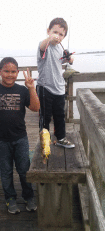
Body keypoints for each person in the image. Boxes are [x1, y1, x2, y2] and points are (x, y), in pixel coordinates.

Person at [0, 57, 40, 214]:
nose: (10, 75)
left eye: (13, 71)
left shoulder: (22, 90)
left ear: (18, 73)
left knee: (24, 169)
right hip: (0, 139)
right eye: (6, 71)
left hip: (20, 138)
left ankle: (28, 196)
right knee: (5, 171)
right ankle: (10, 199)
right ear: (0, 72)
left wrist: (32, 88)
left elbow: (35, 107)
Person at [37, 17, 75, 148]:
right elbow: (42, 46)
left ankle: (60, 138)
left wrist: (70, 59)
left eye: (61, 34)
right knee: (45, 117)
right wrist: (49, 39)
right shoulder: (44, 45)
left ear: (64, 37)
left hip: (59, 88)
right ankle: (44, 142)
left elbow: (63, 60)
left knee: (60, 116)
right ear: (48, 31)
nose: (57, 37)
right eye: (55, 32)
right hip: (45, 87)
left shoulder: (60, 48)